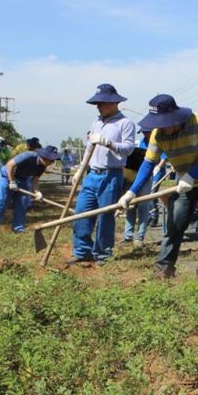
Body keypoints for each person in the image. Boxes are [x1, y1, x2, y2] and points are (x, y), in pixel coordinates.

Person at [119, 94, 198, 282]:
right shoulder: (157, 134)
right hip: (184, 183)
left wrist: (191, 176)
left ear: (175, 117)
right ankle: (164, 268)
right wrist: (132, 191)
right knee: (174, 224)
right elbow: (148, 163)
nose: (162, 127)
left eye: (165, 123)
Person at [68, 84, 135, 264]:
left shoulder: (125, 123)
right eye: (97, 103)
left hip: (111, 176)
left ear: (113, 103)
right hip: (91, 175)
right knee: (81, 213)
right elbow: (90, 147)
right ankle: (82, 251)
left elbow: (128, 149)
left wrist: (108, 143)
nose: (98, 106)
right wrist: (80, 169)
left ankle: (103, 254)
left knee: (106, 216)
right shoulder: (96, 122)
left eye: (102, 103)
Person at [0, 145, 60, 233]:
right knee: (1, 202)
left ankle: (18, 228)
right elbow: (10, 165)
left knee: (22, 202)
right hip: (7, 176)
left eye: (53, 160)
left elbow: (35, 180)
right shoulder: (29, 156)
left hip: (22, 179)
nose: (52, 162)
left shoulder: (42, 166)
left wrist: (37, 192)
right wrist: (12, 181)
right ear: (44, 157)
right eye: (51, 160)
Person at [122, 130, 153, 247]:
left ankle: (140, 237)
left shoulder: (157, 143)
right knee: (130, 207)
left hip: (145, 179)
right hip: (130, 176)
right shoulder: (136, 144)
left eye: (147, 132)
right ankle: (128, 236)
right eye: (143, 132)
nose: (145, 134)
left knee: (143, 208)